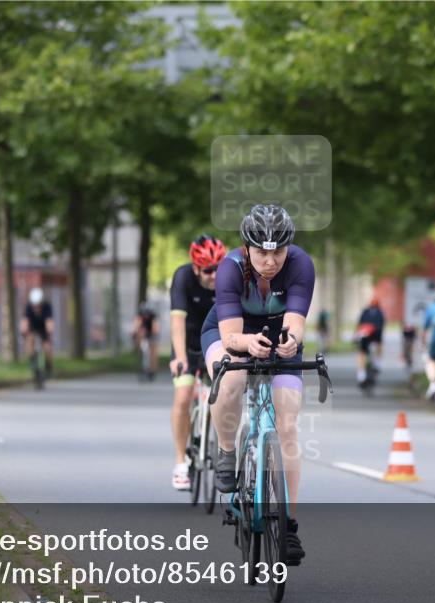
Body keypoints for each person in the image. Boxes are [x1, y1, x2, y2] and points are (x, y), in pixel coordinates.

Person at [201, 204, 314, 566]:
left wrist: (292, 340)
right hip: (229, 333)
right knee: (232, 376)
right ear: (247, 247)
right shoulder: (230, 268)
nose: (270, 260)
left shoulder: (300, 265)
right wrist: (248, 344)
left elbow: (296, 322)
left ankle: (289, 524)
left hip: (277, 335)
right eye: (262, 251)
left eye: (277, 251)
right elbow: (231, 336)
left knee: (289, 425)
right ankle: (227, 449)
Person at [167, 234, 227, 491]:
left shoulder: (231, 278)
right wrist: (180, 358)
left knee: (224, 394)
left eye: (218, 268)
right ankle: (181, 462)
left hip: (216, 344)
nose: (214, 276)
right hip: (188, 345)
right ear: (195, 268)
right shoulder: (183, 278)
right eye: (208, 270)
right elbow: (177, 322)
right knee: (183, 396)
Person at [20, 287, 54, 375]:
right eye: (35, 305)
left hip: (43, 327)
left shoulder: (47, 307)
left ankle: (48, 366)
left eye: (38, 305)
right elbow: (25, 321)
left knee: (47, 347)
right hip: (33, 326)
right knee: (30, 340)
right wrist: (24, 332)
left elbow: (49, 321)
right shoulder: (29, 307)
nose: (36, 307)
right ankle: (32, 362)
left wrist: (49, 332)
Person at [355, 298, 384, 385]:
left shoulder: (366, 312)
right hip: (371, 336)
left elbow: (359, 324)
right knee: (366, 351)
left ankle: (361, 373)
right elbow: (382, 325)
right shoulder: (379, 313)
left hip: (368, 335)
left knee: (362, 353)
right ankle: (375, 364)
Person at [133, 301, 159, 377]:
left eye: (147, 313)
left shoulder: (153, 317)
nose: (146, 315)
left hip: (151, 333)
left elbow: (156, 328)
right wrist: (134, 332)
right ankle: (139, 356)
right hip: (143, 333)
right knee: (139, 337)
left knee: (153, 350)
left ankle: (153, 369)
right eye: (144, 313)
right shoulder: (139, 316)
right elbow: (136, 325)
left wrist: (155, 332)